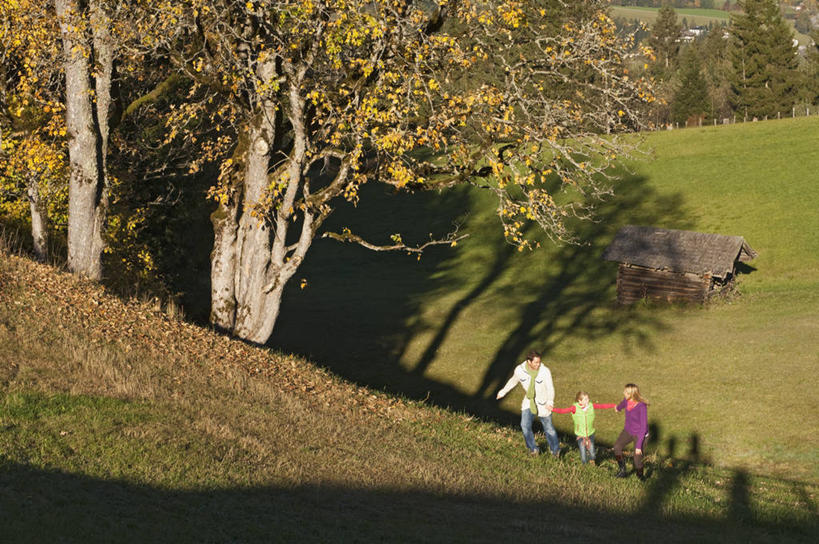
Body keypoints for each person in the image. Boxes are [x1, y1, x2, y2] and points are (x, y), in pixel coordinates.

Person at [496, 350, 560, 456]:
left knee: (549, 428)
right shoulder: (519, 370)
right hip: (529, 401)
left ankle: (555, 450)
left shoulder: (544, 371)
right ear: (529, 362)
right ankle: (533, 449)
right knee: (525, 425)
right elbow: (513, 381)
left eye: (539, 362)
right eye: (536, 362)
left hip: (544, 403)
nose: (538, 364)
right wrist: (503, 392)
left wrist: (550, 402)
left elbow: (550, 388)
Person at [551, 391, 616, 465]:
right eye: (585, 399)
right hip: (580, 435)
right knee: (583, 455)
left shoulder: (591, 406)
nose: (587, 400)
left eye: (588, 398)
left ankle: (591, 460)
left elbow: (602, 406)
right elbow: (563, 411)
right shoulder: (574, 408)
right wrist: (552, 409)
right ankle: (584, 466)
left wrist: (613, 405)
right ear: (580, 401)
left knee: (592, 453)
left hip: (590, 433)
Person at [613, 383, 650, 480]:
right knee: (617, 447)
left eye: (625, 392)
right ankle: (622, 470)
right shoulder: (627, 400)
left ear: (632, 394)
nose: (623, 393)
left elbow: (643, 427)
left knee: (637, 458)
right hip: (628, 430)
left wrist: (638, 446)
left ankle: (640, 476)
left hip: (640, 434)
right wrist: (618, 408)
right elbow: (623, 404)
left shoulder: (641, 407)